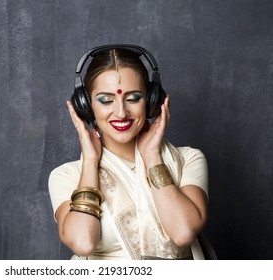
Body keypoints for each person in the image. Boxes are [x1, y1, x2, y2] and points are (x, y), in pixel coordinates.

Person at [48, 45, 208, 260]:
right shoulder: (67, 176)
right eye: (106, 100)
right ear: (85, 106)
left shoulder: (187, 159)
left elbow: (183, 233)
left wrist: (152, 156)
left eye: (133, 98)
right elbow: (83, 243)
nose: (121, 112)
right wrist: (90, 162)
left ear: (152, 101)